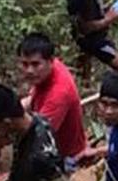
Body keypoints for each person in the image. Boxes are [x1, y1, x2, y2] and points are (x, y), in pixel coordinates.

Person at [19, 34, 88, 163]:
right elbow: (31, 99)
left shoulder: (59, 92)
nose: (29, 70)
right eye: (25, 64)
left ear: (50, 61)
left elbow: (38, 135)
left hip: (62, 157)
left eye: (35, 64)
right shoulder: (47, 71)